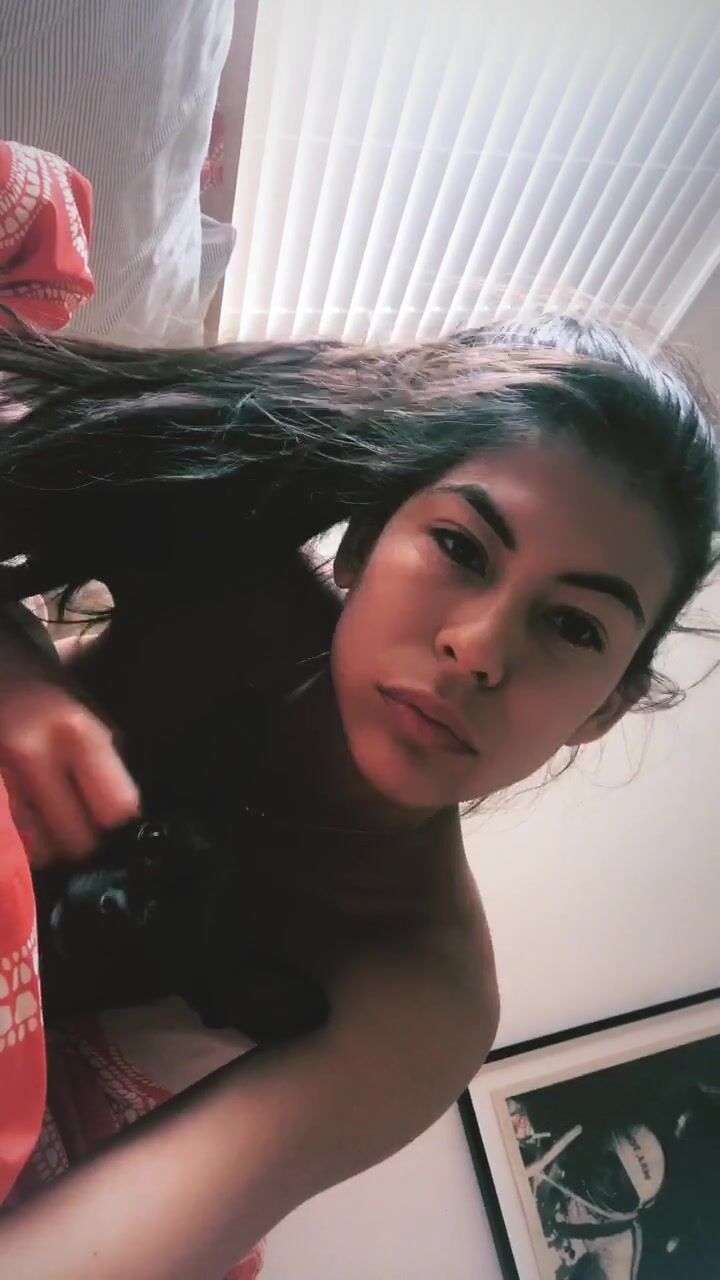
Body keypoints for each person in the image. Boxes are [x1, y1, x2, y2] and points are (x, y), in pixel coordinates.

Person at [0, 314, 715, 1277]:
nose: (479, 648)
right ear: (362, 545)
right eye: (461, 547)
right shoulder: (223, 580)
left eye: (575, 628)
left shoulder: (425, 992)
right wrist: (14, 665)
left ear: (602, 711)